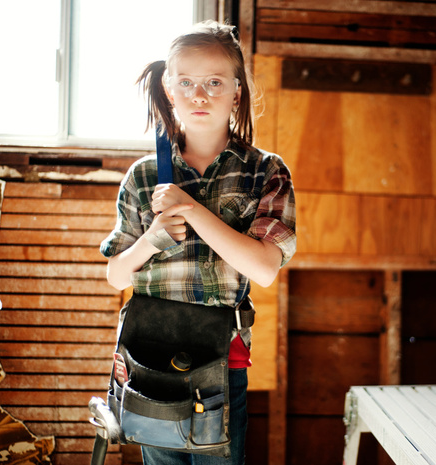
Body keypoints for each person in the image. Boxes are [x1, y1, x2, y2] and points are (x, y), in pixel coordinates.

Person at [99, 20, 297, 465]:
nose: (200, 95)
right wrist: (151, 238)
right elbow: (115, 276)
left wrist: (191, 208)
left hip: (221, 361)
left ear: (237, 91)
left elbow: (264, 268)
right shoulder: (144, 176)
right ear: (170, 89)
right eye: (186, 83)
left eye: (214, 82)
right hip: (148, 356)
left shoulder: (264, 172)